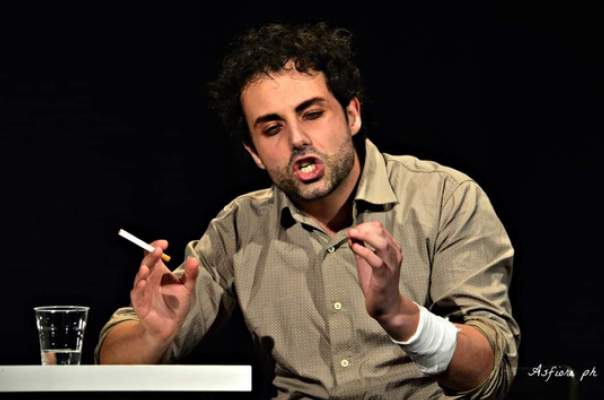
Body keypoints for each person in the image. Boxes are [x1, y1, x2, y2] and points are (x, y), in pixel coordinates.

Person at [95, 23, 520, 399]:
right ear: (254, 152)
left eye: (312, 114)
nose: (297, 139)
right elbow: (110, 368)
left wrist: (399, 314)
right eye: (272, 128)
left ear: (351, 115)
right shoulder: (239, 228)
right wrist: (152, 336)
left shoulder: (445, 197)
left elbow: (490, 372)